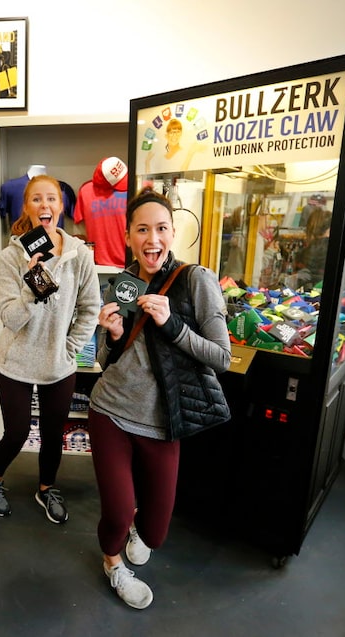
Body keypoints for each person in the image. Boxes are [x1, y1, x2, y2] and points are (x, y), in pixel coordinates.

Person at [89, 187, 231, 608]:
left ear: (174, 232)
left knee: (155, 532)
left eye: (162, 228)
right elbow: (102, 359)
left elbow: (222, 356)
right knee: (116, 513)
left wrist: (173, 326)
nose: (152, 239)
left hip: (162, 421)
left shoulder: (196, 281)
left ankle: (135, 532)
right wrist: (112, 335)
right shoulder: (125, 283)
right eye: (142, 230)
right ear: (129, 235)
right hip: (109, 410)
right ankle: (112, 563)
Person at [0, 175, 100, 523]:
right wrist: (33, 287)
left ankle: (46, 488)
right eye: (36, 199)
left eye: (51, 199)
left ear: (61, 207)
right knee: (17, 433)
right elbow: (10, 318)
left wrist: (71, 348)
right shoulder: (10, 258)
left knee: (53, 435)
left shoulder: (80, 255)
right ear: (27, 208)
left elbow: (91, 307)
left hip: (58, 363)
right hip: (16, 360)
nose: (44, 205)